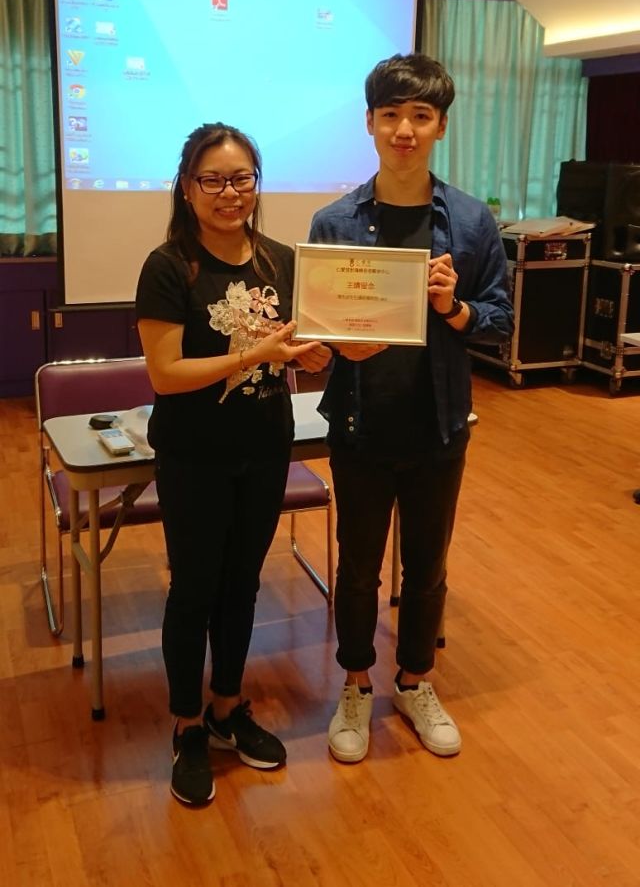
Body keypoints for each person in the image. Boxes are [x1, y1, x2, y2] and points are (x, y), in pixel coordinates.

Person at [308, 53, 513, 764]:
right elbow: (316, 333)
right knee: (357, 567)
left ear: (440, 127)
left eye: (420, 116)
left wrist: (454, 307)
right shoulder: (335, 222)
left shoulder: (472, 221)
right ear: (369, 122)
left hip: (439, 425)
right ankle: (356, 685)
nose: (405, 130)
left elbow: (500, 320)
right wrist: (335, 343)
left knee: (428, 567)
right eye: (391, 114)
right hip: (360, 425)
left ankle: (415, 681)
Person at [136, 123, 329, 807]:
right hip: (193, 454)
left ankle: (226, 707)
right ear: (187, 189)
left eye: (241, 178)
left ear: (256, 183)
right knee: (194, 589)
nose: (229, 193)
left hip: (265, 448)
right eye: (212, 180)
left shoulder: (281, 261)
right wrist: (254, 354)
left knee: (243, 584)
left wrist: (313, 355)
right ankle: (187, 725)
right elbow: (165, 374)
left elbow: (302, 353)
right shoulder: (169, 267)